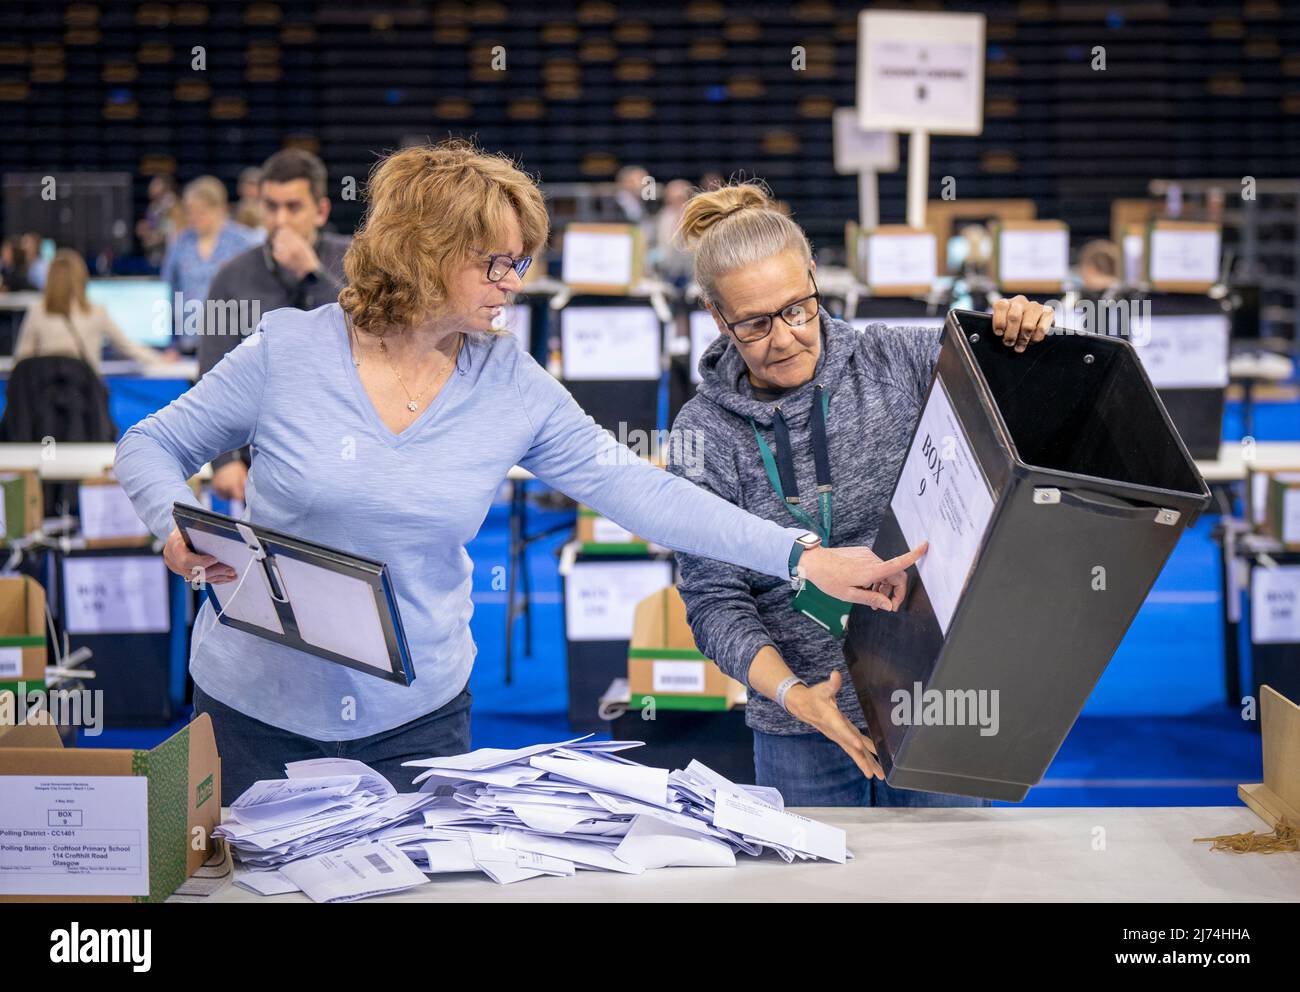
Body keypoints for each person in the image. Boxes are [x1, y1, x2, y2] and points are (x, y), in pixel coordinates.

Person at [113, 140, 925, 804]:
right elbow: (149, 444)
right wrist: (172, 524)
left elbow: (641, 491)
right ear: (424, 253)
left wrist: (800, 557)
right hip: (251, 712)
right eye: (495, 262)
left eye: (520, 261)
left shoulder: (509, 383)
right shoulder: (289, 349)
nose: (514, 282)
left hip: (418, 721)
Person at [667, 181, 1054, 807]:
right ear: (716, 315)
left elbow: (1026, 397)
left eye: (799, 307)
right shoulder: (704, 433)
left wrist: (1021, 332)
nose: (787, 336)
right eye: (757, 323)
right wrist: (796, 696)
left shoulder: (896, 360)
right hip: (800, 730)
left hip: (936, 705)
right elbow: (713, 602)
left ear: (817, 278)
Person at [199, 149, 350, 504]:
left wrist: (313, 275)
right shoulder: (231, 277)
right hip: (264, 470)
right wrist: (223, 461)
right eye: (271, 206)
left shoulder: (355, 262)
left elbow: (375, 333)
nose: (280, 220)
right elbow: (211, 375)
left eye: (293, 207)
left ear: (321, 211)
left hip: (349, 456)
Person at [13, 249, 173, 372]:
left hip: (44, 401)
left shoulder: (38, 312)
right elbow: (128, 347)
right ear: (82, 278)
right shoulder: (95, 312)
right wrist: (160, 359)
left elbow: (22, 360)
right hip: (84, 401)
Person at [160, 176, 259, 352]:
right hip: (189, 343)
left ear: (219, 209)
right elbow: (167, 293)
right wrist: (171, 343)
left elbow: (256, 293)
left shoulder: (243, 242)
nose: (194, 218)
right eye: (190, 211)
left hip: (233, 344)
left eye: (201, 212)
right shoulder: (180, 244)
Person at [136, 174, 182, 267]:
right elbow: (155, 228)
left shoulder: (172, 204)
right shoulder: (153, 206)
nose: (150, 187)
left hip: (169, 256)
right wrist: (145, 231)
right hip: (156, 254)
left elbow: (173, 231)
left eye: (155, 184)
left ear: (165, 187)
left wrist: (154, 238)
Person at [233, 166, 263, 230]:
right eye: (248, 185)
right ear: (240, 188)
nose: (251, 190)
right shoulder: (230, 213)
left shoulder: (268, 214)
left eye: (254, 185)